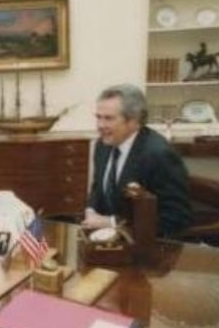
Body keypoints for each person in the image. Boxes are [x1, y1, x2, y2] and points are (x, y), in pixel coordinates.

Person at [82, 83, 191, 237]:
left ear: (134, 120)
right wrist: (91, 210)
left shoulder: (159, 154)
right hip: (107, 243)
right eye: (98, 117)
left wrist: (113, 223)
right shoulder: (103, 145)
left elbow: (176, 218)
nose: (100, 125)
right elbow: (98, 188)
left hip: (150, 248)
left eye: (109, 118)